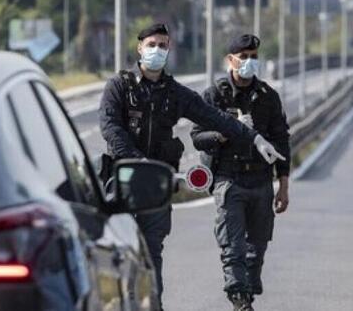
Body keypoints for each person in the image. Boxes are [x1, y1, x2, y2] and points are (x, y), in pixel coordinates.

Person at [98, 23, 284, 309]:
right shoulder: (120, 86)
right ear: (139, 48)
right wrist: (139, 161)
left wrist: (255, 138)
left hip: (156, 186)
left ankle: (152, 306)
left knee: (152, 252)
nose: (157, 50)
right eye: (151, 45)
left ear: (169, 49)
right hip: (122, 182)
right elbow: (110, 128)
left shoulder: (175, 93)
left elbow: (216, 118)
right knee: (116, 252)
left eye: (162, 45)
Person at [191, 34, 290, 311]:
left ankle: (246, 291)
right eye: (243, 56)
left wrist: (283, 185)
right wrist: (224, 133)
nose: (249, 61)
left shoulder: (268, 97)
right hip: (229, 180)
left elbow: (282, 141)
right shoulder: (214, 96)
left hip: (261, 181)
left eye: (254, 57)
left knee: (256, 250)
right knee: (233, 247)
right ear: (230, 60)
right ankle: (239, 300)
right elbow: (197, 136)